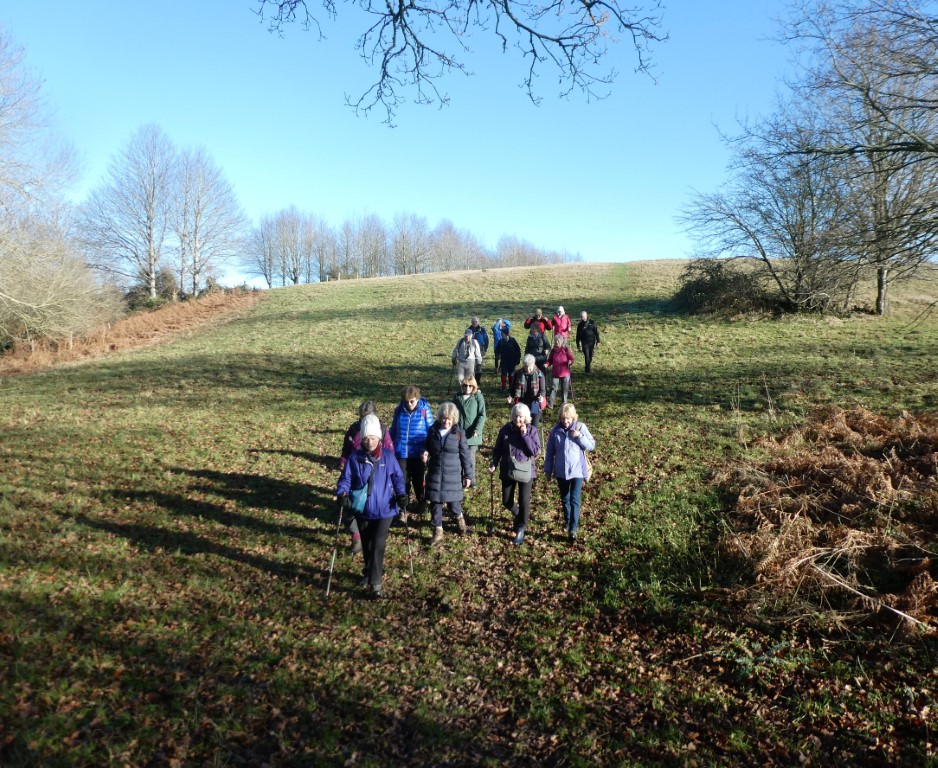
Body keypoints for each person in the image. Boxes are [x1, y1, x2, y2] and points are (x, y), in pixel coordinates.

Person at [336, 414, 407, 598]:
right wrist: (342, 493)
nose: (369, 442)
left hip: (386, 510)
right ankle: (368, 572)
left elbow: (398, 478)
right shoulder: (354, 458)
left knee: (378, 545)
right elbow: (346, 479)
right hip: (363, 511)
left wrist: (401, 495)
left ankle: (375, 585)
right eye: (366, 438)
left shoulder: (389, 457)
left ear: (379, 439)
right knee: (367, 546)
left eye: (373, 438)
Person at [339, 400, 394, 554]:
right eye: (361, 417)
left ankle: (371, 537)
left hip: (374, 473)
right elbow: (346, 449)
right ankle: (356, 537)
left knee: (368, 507)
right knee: (351, 506)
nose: (364, 420)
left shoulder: (382, 429)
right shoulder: (353, 429)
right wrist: (343, 461)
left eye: (367, 417)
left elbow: (389, 451)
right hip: (355, 471)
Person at [489, 403, 541, 545]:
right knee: (506, 501)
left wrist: (525, 436)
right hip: (508, 468)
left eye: (521, 417)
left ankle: (520, 528)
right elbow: (498, 449)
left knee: (524, 501)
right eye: (516, 416)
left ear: (526, 418)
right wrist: (494, 463)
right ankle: (517, 513)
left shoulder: (532, 431)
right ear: (512, 416)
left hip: (526, 471)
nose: (518, 419)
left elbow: (535, 451)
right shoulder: (505, 430)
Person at [423, 402, 474, 546]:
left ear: (454, 419)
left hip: (452, 475)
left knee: (453, 504)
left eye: (449, 419)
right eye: (444, 418)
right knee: (435, 503)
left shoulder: (459, 433)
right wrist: (425, 452)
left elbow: (465, 455)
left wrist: (468, 475)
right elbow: (427, 446)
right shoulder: (433, 431)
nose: (446, 422)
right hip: (435, 472)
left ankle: (461, 523)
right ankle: (438, 532)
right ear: (440, 418)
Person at [543, 403, 596, 541]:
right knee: (565, 498)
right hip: (561, 471)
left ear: (573, 418)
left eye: (568, 419)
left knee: (574, 499)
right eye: (563, 418)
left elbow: (591, 445)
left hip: (577, 471)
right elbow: (550, 452)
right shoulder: (555, 431)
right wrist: (548, 470)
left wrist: (579, 436)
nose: (565, 421)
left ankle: (573, 528)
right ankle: (567, 520)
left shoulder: (580, 428)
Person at [389, 385, 434, 524]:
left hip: (419, 452)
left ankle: (422, 502)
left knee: (419, 481)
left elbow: (431, 430)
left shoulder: (425, 410)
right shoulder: (399, 410)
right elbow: (393, 429)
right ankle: (403, 509)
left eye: (412, 401)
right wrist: (388, 445)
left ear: (417, 399)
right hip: (401, 452)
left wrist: (428, 449)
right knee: (403, 481)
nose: (409, 404)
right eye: (406, 401)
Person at [453, 375, 486, 483]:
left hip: (473, 433)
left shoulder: (478, 397)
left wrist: (477, 430)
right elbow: (453, 413)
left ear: (473, 387)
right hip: (460, 432)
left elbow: (482, 415)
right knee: (460, 456)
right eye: (465, 385)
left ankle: (471, 479)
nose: (467, 388)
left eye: (470, 386)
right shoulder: (457, 397)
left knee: (470, 456)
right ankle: (462, 478)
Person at [509, 354, 546, 429]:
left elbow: (543, 390)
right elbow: (512, 389)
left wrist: (541, 397)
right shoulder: (517, 374)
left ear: (533, 364)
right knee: (520, 425)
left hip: (535, 402)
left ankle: (533, 439)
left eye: (530, 367)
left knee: (533, 426)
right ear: (523, 365)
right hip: (521, 402)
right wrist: (509, 396)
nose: (528, 369)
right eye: (526, 367)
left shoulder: (539, 374)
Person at [546, 335, 574, 409]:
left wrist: (570, 362)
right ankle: (550, 404)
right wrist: (547, 364)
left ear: (562, 341)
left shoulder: (566, 350)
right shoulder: (553, 351)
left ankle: (564, 404)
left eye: (558, 341)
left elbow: (571, 359)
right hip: (555, 373)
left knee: (564, 390)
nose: (556, 342)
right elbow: (550, 361)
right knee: (553, 388)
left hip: (565, 373)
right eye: (555, 341)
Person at [497, 326, 522, 392]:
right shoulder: (501, 342)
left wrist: (517, 360)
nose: (501, 335)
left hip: (512, 361)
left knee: (512, 374)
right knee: (504, 374)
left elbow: (518, 350)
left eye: (502, 333)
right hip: (504, 361)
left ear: (506, 334)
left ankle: (512, 387)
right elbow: (497, 351)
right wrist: (497, 357)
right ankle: (504, 387)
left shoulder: (512, 340)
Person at [467, 316, 489, 382]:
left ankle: (477, 381)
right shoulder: (468, 330)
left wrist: (485, 349)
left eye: (476, 321)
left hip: (480, 350)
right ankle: (471, 381)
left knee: (479, 366)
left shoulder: (482, 330)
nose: (474, 323)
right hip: (470, 351)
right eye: (473, 321)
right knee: (471, 367)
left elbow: (486, 340)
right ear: (471, 322)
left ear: (478, 322)